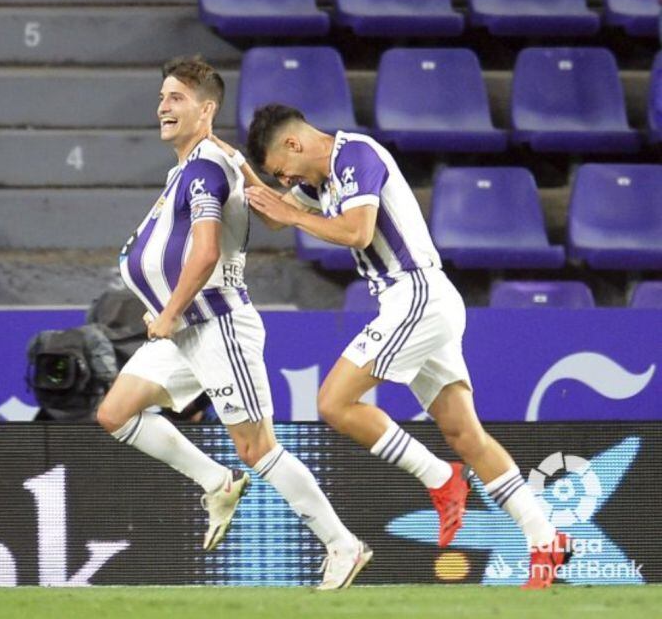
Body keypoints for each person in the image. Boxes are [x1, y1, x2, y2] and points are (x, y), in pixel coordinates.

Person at [218, 103, 570, 589]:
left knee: (334, 402)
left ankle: (441, 478)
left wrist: (295, 217)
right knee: (466, 435)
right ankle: (545, 537)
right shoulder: (319, 181)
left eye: (281, 169)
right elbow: (279, 212)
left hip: (416, 294)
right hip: (417, 303)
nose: (283, 180)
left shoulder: (355, 155)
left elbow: (356, 231)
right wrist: (231, 159)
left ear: (294, 144)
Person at [96, 57, 371, 590]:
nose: (163, 107)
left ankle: (343, 544)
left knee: (258, 447)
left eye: (176, 98)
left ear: (207, 109)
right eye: (161, 97)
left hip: (215, 324)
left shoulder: (204, 167)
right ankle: (217, 482)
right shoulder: (196, 165)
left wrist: (169, 311)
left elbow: (202, 254)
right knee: (116, 412)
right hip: (186, 329)